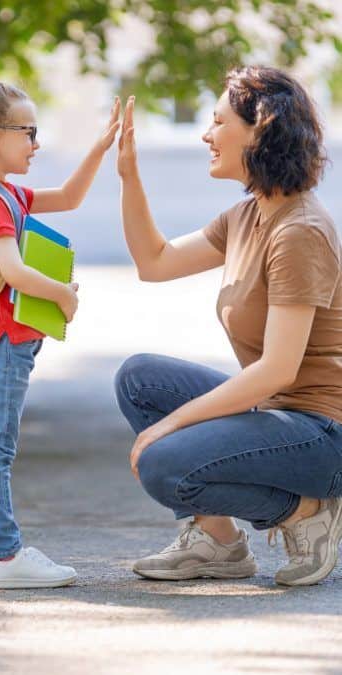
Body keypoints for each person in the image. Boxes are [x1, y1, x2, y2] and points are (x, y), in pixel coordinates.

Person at [114, 65, 342, 586]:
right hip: (281, 415)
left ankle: (307, 511)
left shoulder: (300, 231)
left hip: (326, 434)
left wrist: (170, 425)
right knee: (140, 378)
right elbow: (155, 262)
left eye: (218, 122)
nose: (206, 134)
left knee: (163, 463)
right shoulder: (245, 217)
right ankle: (218, 542)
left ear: (259, 129)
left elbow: (277, 370)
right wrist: (130, 177)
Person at [0, 82, 119, 588]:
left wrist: (100, 146)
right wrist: (63, 294)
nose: (36, 144)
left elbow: (68, 197)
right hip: (3, 345)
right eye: (29, 132)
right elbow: (14, 271)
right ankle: (6, 555)